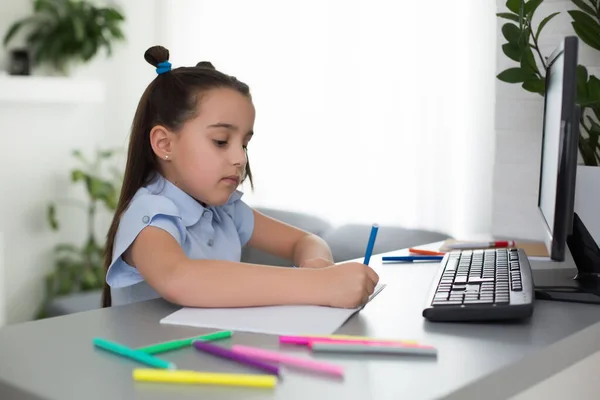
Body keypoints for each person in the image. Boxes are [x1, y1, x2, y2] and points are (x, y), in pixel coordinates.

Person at [102, 45, 379, 309]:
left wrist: (316, 264)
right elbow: (180, 278)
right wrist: (315, 285)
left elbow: (305, 241)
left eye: (244, 144)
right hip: (151, 359)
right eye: (221, 141)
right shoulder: (150, 214)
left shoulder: (225, 210)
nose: (240, 158)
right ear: (165, 144)